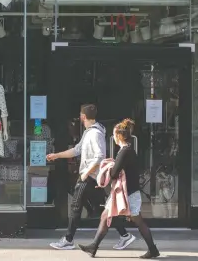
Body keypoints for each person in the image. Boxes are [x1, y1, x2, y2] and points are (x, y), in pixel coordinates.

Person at [47, 104, 136, 250]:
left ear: (82, 116)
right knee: (105, 209)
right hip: (91, 177)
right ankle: (125, 235)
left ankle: (68, 239)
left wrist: (86, 173)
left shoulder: (94, 134)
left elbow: (99, 156)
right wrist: (57, 156)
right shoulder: (89, 132)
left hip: (89, 177)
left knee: (76, 206)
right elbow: (77, 150)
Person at [78, 119, 160, 259]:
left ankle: (152, 249)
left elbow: (115, 172)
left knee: (137, 220)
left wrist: (106, 171)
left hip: (127, 193)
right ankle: (94, 246)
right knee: (106, 216)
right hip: (127, 191)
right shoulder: (127, 150)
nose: (113, 137)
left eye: (114, 134)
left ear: (119, 136)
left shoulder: (125, 151)